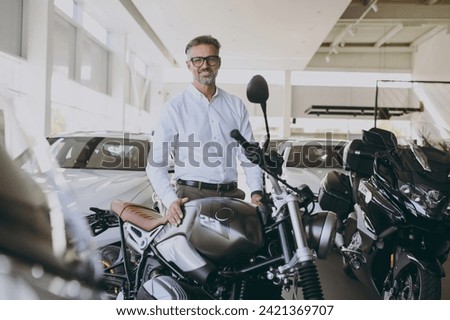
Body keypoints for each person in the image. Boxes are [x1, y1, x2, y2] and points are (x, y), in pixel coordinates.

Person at [146, 35, 263, 227]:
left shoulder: (235, 105)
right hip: (192, 197)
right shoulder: (175, 107)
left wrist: (256, 191)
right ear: (189, 65)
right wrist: (170, 200)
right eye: (197, 60)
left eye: (211, 59)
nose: (204, 65)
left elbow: (248, 155)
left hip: (232, 196)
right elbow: (155, 164)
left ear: (218, 62)